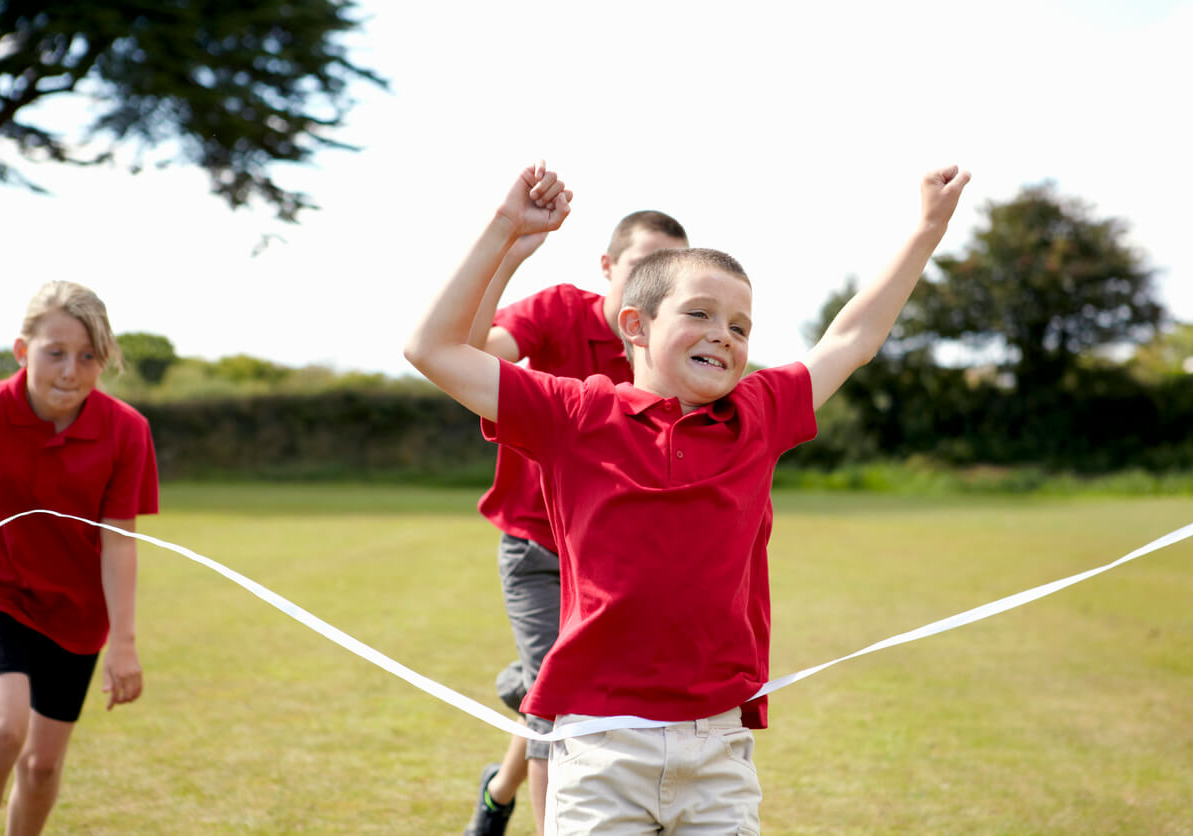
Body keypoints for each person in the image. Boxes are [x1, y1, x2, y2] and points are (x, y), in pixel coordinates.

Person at [405, 160, 969, 832]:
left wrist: (926, 232)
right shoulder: (574, 415)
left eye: (739, 326)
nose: (722, 334)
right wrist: (506, 231)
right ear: (635, 326)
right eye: (699, 313)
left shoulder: (759, 415)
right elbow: (432, 347)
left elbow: (852, 337)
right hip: (599, 745)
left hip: (719, 748)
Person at [463, 210, 689, 836]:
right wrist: (507, 250)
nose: (658, 282)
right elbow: (477, 353)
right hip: (537, 545)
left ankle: (499, 786)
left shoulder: (670, 346)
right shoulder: (557, 310)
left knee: (548, 692)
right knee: (557, 711)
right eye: (645, 265)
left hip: (613, 558)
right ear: (608, 268)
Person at [0, 281, 159, 836]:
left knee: (41, 767)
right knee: (1, 730)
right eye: (56, 353)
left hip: (76, 612)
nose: (71, 370)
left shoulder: (126, 431)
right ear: (23, 351)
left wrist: (124, 643)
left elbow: (119, 540)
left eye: (89, 356)